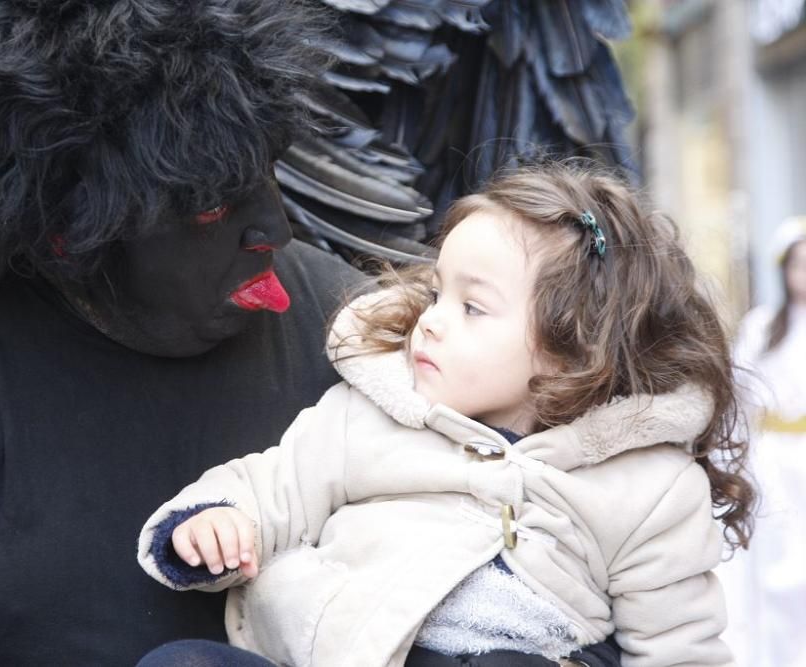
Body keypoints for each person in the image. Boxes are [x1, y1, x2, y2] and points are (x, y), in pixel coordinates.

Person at [0, 1, 618, 665]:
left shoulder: (365, 339)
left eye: (265, 167)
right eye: (209, 205)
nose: (274, 225)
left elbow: (569, 557)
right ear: (70, 233)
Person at [137, 162, 754, 667]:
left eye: (472, 308)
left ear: (573, 353)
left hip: (502, 654)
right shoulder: (375, 411)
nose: (430, 319)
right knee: (182, 664)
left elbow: (680, 646)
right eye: (437, 293)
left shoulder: (647, 485)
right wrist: (220, 520)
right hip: (331, 644)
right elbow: (275, 485)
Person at [718, 216, 806, 667]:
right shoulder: (762, 327)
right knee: (777, 564)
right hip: (774, 460)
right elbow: (742, 397)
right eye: (798, 266)